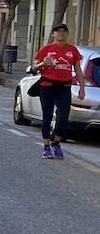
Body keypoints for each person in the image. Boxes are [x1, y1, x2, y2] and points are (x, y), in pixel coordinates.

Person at [29, 23, 88, 160]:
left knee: (63, 118)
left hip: (65, 87)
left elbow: (78, 69)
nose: (61, 34)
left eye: (64, 31)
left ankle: (56, 142)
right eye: (58, 31)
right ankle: (46, 147)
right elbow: (33, 68)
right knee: (47, 116)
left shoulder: (72, 50)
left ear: (67, 34)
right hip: (47, 86)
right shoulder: (46, 49)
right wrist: (43, 63)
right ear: (53, 34)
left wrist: (82, 88)